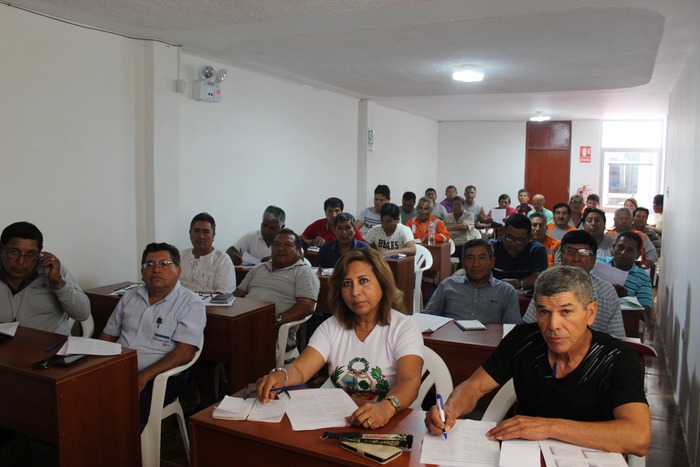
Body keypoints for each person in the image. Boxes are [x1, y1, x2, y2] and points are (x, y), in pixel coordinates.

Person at [425, 266, 650, 457]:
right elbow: (475, 387)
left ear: (590, 313)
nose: (553, 325)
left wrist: (548, 427)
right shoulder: (523, 340)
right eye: (544, 312)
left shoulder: (617, 357)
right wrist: (450, 411)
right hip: (525, 455)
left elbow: (638, 437)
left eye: (566, 311)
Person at [256, 249, 424, 430]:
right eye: (347, 284)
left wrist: (387, 407)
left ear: (382, 283)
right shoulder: (331, 327)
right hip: (340, 419)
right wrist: (280, 375)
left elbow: (409, 381)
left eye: (363, 281)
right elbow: (300, 369)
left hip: (391, 422)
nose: (355, 292)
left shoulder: (403, 327)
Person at [99, 243, 206, 430]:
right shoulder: (130, 296)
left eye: (164, 264)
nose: (156, 269)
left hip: (159, 377)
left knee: (124, 414)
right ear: (142, 272)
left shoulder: (190, 303)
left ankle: (122, 448)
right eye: (149, 265)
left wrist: (144, 376)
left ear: (178, 270)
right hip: (119, 368)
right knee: (79, 396)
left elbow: (185, 352)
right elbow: (107, 336)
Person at [523, 230, 625, 337]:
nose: (576, 259)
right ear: (562, 258)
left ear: (593, 261)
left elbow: (617, 338)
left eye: (584, 253)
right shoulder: (546, 285)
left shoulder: (607, 292)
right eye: (570, 252)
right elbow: (529, 329)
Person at [234, 229, 320, 351]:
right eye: (277, 245)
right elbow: (239, 293)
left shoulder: (303, 272)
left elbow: (307, 306)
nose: (280, 249)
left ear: (298, 250)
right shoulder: (258, 268)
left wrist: (275, 320)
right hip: (244, 322)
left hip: (275, 329)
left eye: (287, 245)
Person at [0, 221, 90, 335]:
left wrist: (57, 282)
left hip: (51, 344)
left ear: (40, 251)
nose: (21, 261)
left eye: (30, 254)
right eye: (14, 252)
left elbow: (82, 314)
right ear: (1, 248)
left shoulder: (53, 269)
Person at [422, 239, 522, 323]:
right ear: (463, 263)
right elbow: (427, 317)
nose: (475, 264)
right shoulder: (448, 285)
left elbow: (513, 329)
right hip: (451, 338)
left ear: (492, 262)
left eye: (482, 258)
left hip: (489, 340)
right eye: (470, 258)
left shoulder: (506, 291)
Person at [598, 231, 653, 319]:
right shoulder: (597, 263)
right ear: (613, 247)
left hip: (622, 322)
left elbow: (645, 314)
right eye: (620, 247)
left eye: (630, 250)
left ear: (638, 255)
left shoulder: (642, 277)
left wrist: (626, 298)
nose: (623, 253)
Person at [180, 212, 236, 294]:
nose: (201, 236)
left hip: (208, 302)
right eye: (196, 231)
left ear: (213, 236)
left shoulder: (223, 260)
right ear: (190, 234)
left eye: (206, 232)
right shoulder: (180, 256)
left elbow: (223, 295)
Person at [491, 214, 547, 291]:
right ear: (503, 232)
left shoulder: (536, 250)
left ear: (530, 238)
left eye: (520, 240)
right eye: (509, 237)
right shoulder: (492, 248)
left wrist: (519, 283)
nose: (513, 244)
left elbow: (540, 278)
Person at [443, 196, 479, 266]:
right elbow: (442, 229)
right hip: (451, 244)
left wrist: (447, 228)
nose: (456, 206)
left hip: (464, 244)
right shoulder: (447, 217)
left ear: (463, 205)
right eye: (454, 204)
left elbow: (464, 227)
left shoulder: (469, 215)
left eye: (458, 204)